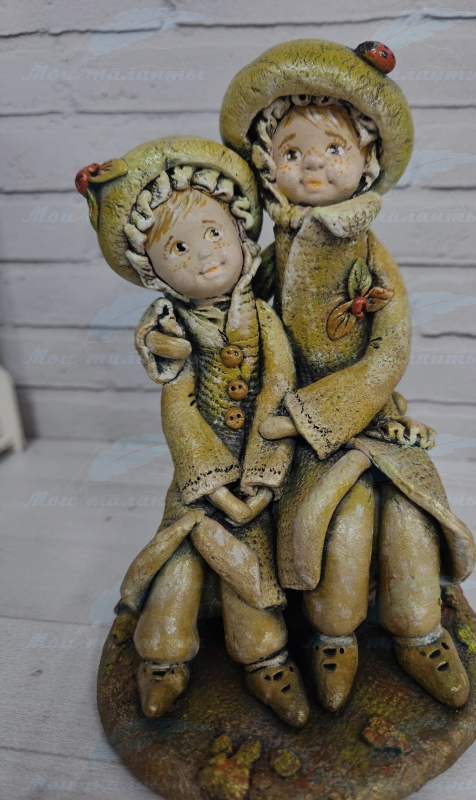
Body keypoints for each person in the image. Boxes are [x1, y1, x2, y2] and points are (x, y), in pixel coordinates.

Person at [220, 40, 476, 712]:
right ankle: (334, 637)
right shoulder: (272, 248)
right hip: (294, 424)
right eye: (292, 151)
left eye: (333, 148)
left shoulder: (367, 250)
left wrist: (319, 412)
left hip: (358, 413)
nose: (312, 164)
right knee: (344, 520)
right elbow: (241, 317)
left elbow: (390, 348)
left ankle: (419, 631)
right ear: (268, 165)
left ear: (367, 161)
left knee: (409, 517)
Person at [76, 137, 309, 727]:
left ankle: (265, 660)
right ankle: (163, 657)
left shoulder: (263, 319)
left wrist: (262, 476)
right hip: (200, 479)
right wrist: (214, 486)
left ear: (240, 237)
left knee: (250, 571)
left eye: (213, 233)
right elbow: (178, 409)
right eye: (178, 247)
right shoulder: (172, 331)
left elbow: (279, 388)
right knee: (179, 565)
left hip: (258, 474)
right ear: (151, 268)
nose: (204, 256)